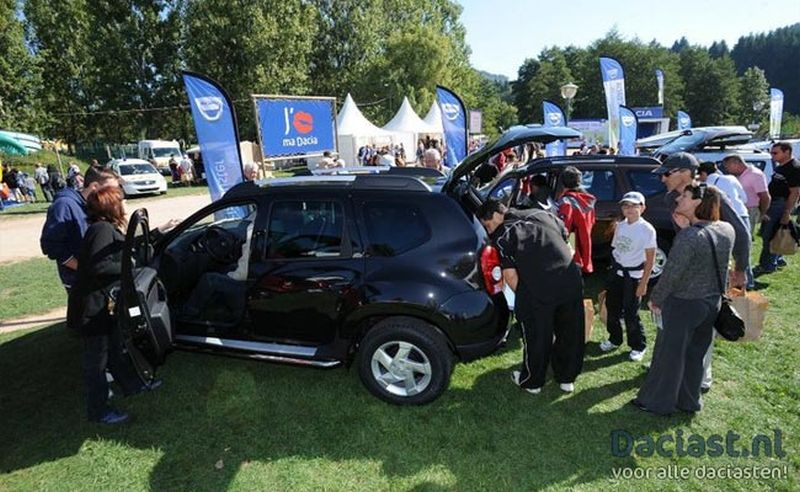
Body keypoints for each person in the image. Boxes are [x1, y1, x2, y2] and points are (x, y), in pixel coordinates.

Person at [633, 184, 734, 416]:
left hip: (683, 305)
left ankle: (656, 402)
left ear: (698, 202)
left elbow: (672, 273)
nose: (679, 199)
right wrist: (686, 229)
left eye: (686, 196)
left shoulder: (689, 236)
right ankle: (689, 401)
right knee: (695, 356)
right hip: (711, 303)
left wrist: (655, 299)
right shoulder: (726, 229)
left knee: (668, 356)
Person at [67, 186, 160, 424]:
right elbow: (98, 266)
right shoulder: (101, 229)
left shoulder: (105, 228)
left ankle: (132, 385)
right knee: (96, 362)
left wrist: (157, 232)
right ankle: (99, 411)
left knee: (116, 348)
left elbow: (121, 247)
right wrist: (129, 267)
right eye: (121, 201)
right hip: (92, 309)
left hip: (103, 306)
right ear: (111, 206)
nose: (124, 204)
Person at [477, 200, 585, 394]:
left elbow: (510, 276)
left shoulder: (502, 235)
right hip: (570, 281)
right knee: (570, 332)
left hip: (539, 290)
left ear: (496, 215)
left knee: (537, 336)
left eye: (488, 226)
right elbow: (569, 244)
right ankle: (567, 378)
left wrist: (525, 297)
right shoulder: (543, 214)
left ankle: (533, 382)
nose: (489, 231)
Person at [40, 168, 120, 291]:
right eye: (111, 189)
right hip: (80, 282)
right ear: (94, 186)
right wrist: (83, 269)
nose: (115, 193)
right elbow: (51, 246)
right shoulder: (64, 205)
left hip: (98, 276)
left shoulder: (93, 204)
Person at [599, 191, 656, 361]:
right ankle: (614, 338)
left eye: (634, 206)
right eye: (626, 206)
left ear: (642, 208)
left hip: (634, 276)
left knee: (631, 313)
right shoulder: (621, 226)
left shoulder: (647, 230)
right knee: (612, 308)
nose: (629, 209)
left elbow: (650, 260)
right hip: (617, 273)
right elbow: (616, 249)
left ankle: (638, 345)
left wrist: (643, 283)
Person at [754, 142, 800, 275]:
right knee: (776, 232)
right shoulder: (781, 166)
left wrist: (787, 212)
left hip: (780, 204)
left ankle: (767, 265)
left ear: (787, 152)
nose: (772, 155)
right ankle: (778, 259)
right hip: (775, 202)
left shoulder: (794, 168)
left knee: (770, 235)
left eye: (775, 153)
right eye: (771, 153)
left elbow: (795, 192)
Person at [556, 166, 597, 274]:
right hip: (584, 240)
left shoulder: (567, 201)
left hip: (572, 242)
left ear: (562, 183)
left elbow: (564, 227)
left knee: (572, 273)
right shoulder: (587, 199)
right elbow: (592, 221)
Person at [722, 154, 770, 234]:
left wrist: (762, 214)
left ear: (736, 163)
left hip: (750, 210)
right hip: (739, 209)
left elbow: (764, 196)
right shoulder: (738, 175)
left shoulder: (755, 174)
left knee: (746, 235)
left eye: (728, 166)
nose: (727, 169)